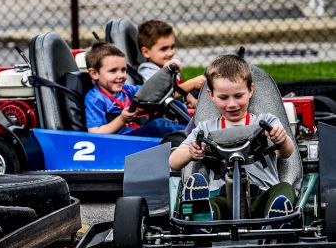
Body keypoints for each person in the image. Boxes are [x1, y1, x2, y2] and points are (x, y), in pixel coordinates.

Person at [169, 54, 296, 223]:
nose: (232, 104)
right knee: (212, 203)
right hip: (223, 196)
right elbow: (173, 162)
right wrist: (191, 152)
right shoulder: (206, 129)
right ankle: (202, 218)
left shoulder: (266, 122)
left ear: (250, 90)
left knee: (285, 189)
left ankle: (275, 221)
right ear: (211, 95)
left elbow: (286, 154)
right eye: (223, 97)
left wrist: (281, 139)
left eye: (238, 96)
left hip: (263, 194)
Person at [84, 42, 187, 138]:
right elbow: (95, 133)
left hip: (139, 131)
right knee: (158, 125)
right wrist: (121, 119)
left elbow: (151, 92)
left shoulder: (126, 90)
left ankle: (193, 131)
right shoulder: (95, 98)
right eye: (113, 71)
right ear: (94, 73)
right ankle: (192, 138)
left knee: (175, 105)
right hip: (122, 141)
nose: (121, 76)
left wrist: (166, 72)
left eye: (123, 70)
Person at [137, 19, 205, 108]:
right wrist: (192, 83)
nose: (170, 53)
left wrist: (189, 97)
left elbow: (178, 88)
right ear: (146, 52)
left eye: (172, 47)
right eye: (164, 49)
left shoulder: (168, 66)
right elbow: (162, 96)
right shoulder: (148, 70)